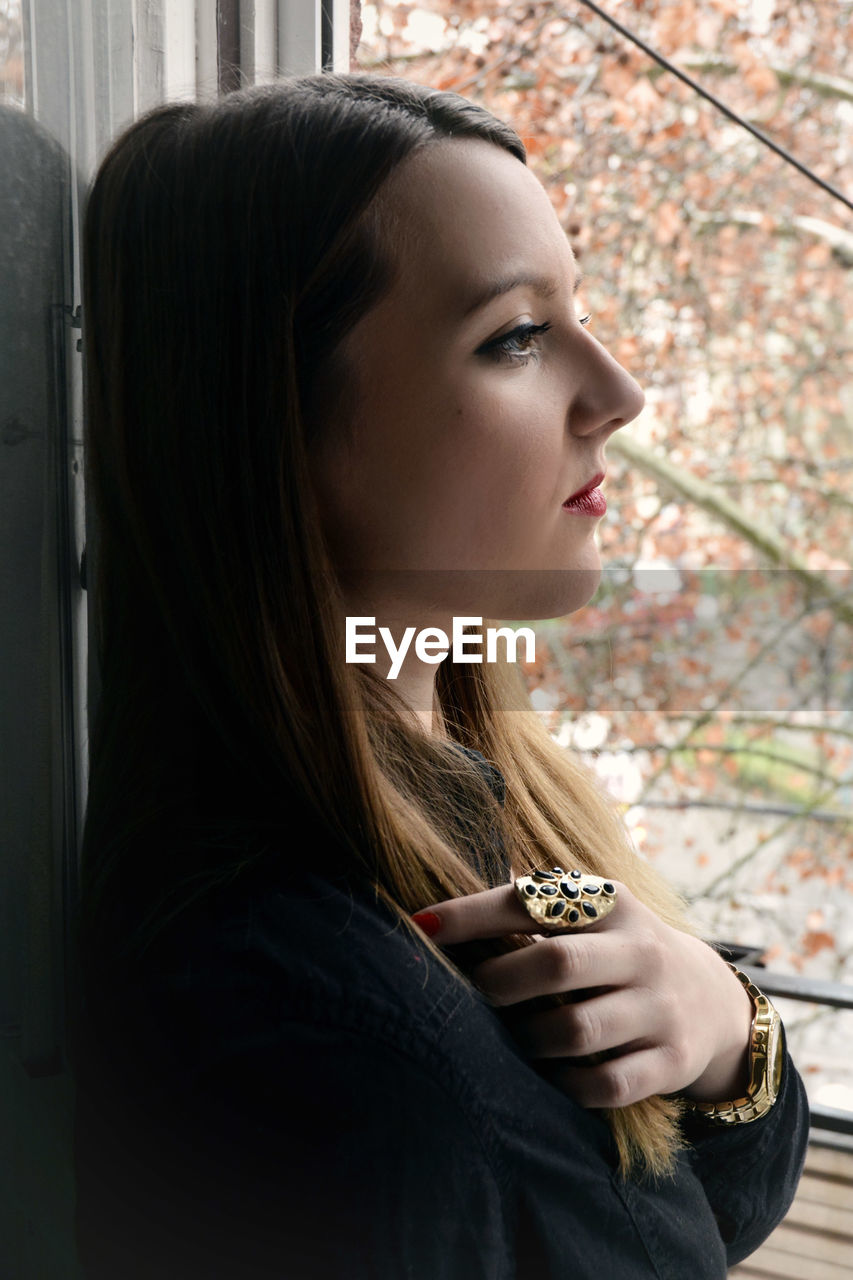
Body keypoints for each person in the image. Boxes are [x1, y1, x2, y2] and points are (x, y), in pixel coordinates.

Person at [71, 73, 809, 1280]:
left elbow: (660, 1204)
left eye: (579, 314)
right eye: (516, 335)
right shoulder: (326, 1054)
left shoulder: (485, 799)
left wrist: (727, 1028)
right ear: (280, 432)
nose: (619, 395)